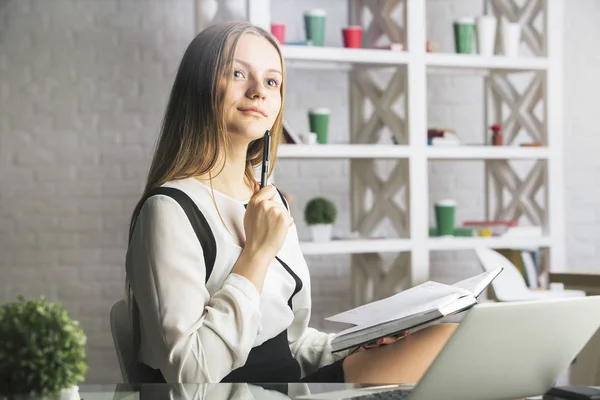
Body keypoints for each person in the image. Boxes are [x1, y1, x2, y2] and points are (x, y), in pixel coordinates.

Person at [125, 20, 457, 385]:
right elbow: (191, 371)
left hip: (294, 388)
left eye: (271, 81)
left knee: (451, 339)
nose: (258, 92)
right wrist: (257, 253)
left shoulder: (270, 201)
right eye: (238, 73)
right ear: (200, 85)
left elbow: (292, 342)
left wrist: (357, 346)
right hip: (233, 394)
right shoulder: (170, 210)